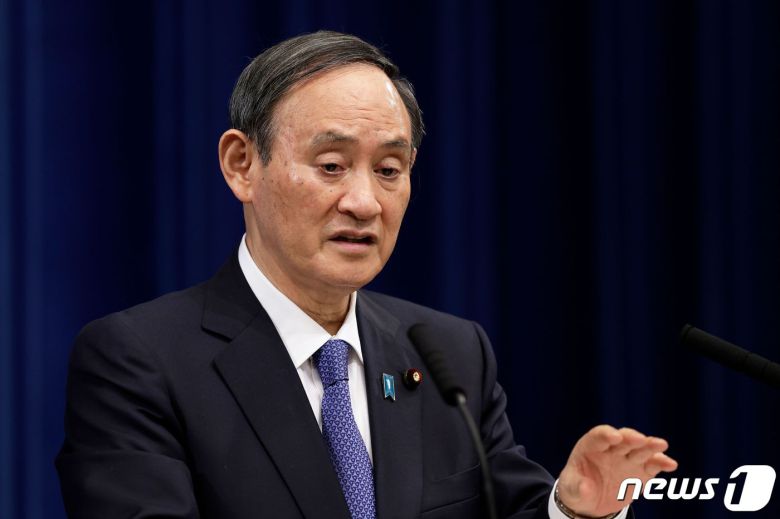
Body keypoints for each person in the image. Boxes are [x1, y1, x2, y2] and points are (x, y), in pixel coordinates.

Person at [56, 31, 677, 519]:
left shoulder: (449, 355)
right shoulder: (139, 360)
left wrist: (575, 509)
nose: (364, 203)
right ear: (242, 164)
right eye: (331, 165)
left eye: (388, 170)